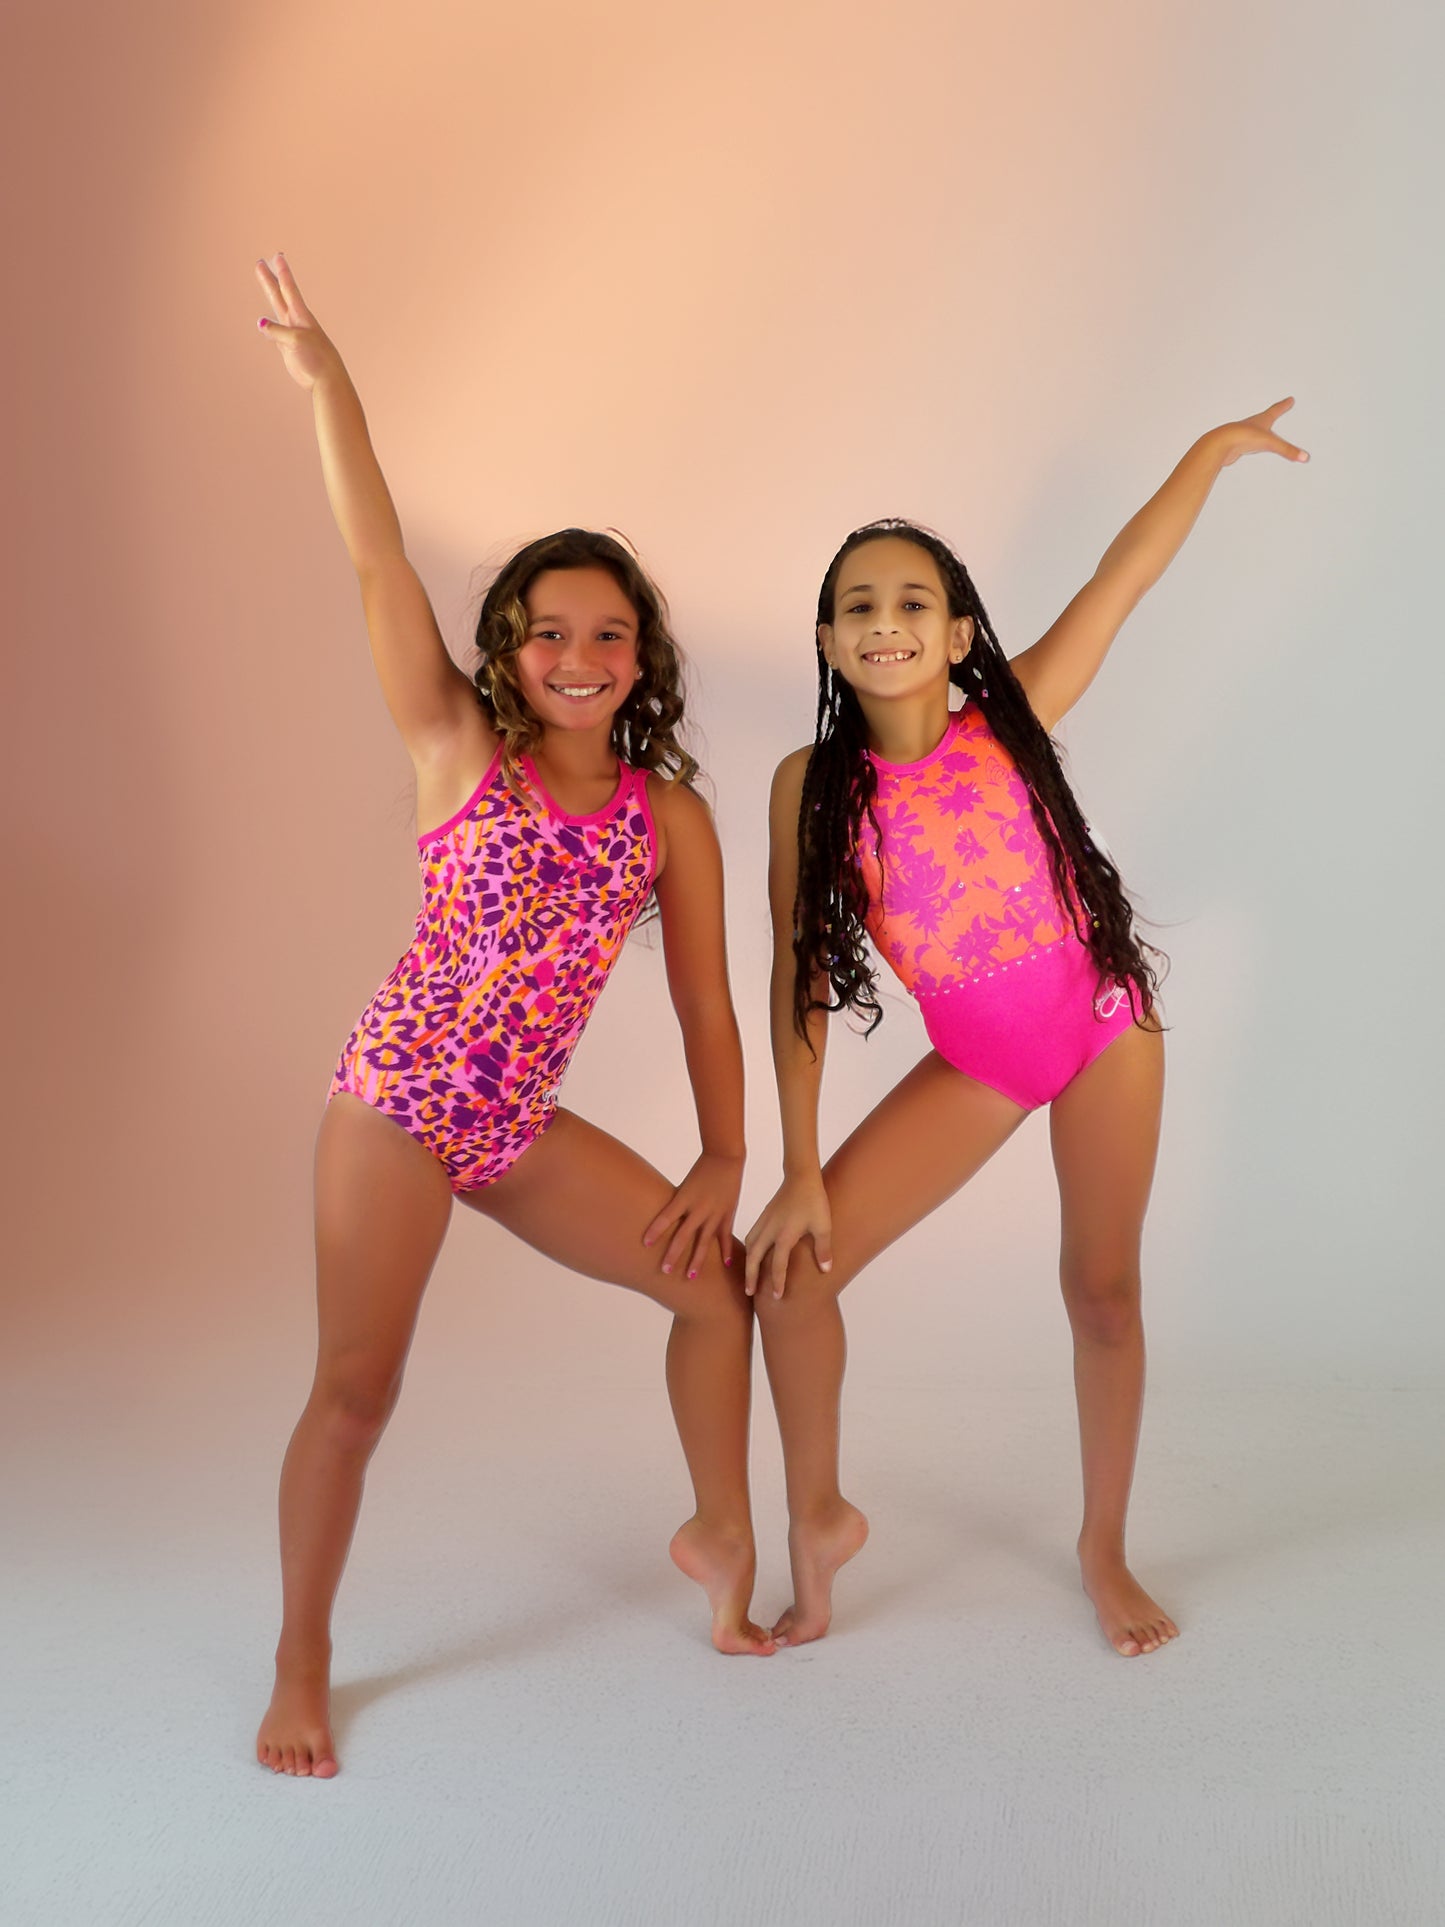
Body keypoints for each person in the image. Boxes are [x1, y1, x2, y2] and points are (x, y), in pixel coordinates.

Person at [252, 254, 773, 1779]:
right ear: (506, 646)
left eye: (610, 633)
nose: (578, 656)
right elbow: (373, 565)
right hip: (399, 1100)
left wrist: (724, 1153)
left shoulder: (667, 814)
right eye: (550, 630)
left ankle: (718, 1537)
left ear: (640, 660)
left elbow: (700, 1000)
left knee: (717, 1290)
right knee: (358, 1387)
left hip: (515, 1125)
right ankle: (303, 1655)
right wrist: (331, 385)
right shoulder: (455, 747)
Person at [744, 405, 1308, 1657]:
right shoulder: (809, 787)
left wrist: (1207, 454)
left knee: (1100, 1292)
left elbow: (1123, 575)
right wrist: (796, 1167)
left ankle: (1101, 1542)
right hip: (982, 1065)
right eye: (855, 604)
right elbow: (796, 982)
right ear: (831, 641)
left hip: (1104, 1030)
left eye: (910, 601)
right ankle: (819, 1518)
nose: (882, 620)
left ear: (955, 633)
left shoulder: (1010, 716)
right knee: (790, 1277)